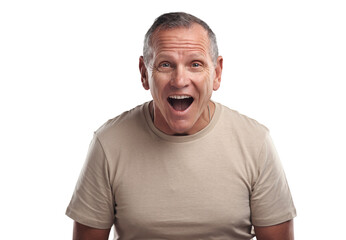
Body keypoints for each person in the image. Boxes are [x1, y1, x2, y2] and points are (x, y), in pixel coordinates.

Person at [66, 12, 296, 240]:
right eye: (165, 65)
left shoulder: (255, 142)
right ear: (144, 73)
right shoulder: (109, 142)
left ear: (216, 73)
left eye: (195, 64)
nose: (179, 81)